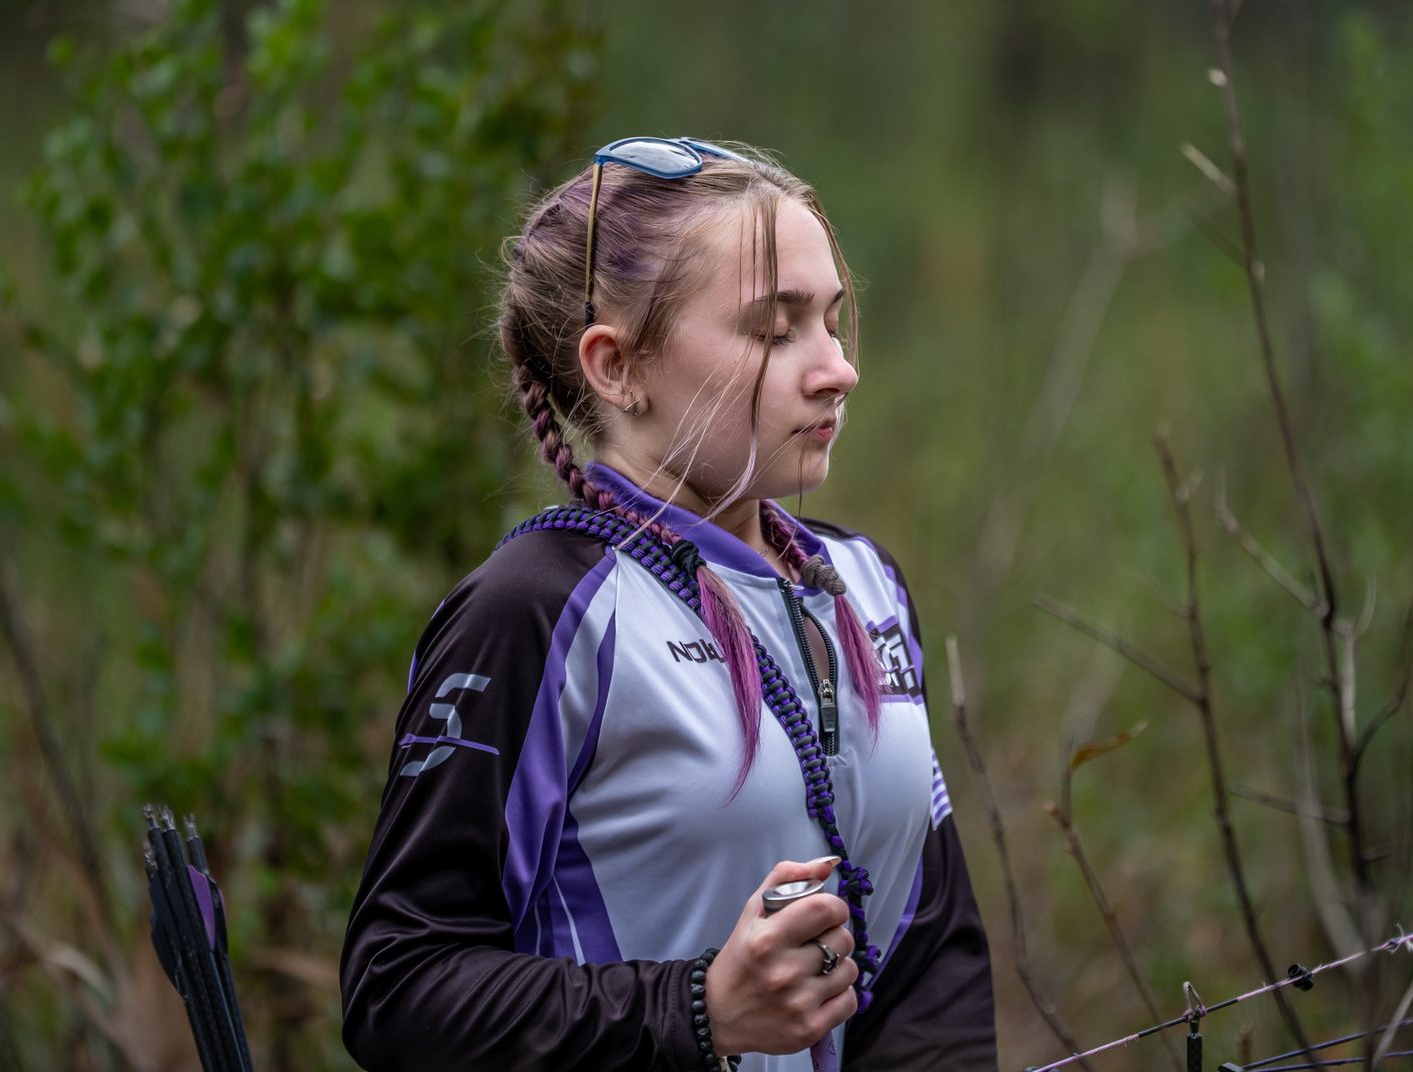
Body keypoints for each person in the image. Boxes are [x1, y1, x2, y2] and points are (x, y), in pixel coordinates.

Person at [339, 137, 995, 1071]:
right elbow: (397, 988)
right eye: (776, 329)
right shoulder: (535, 611)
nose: (836, 369)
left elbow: (932, 958)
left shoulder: (868, 588)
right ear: (615, 367)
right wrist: (696, 1009)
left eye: (831, 321)